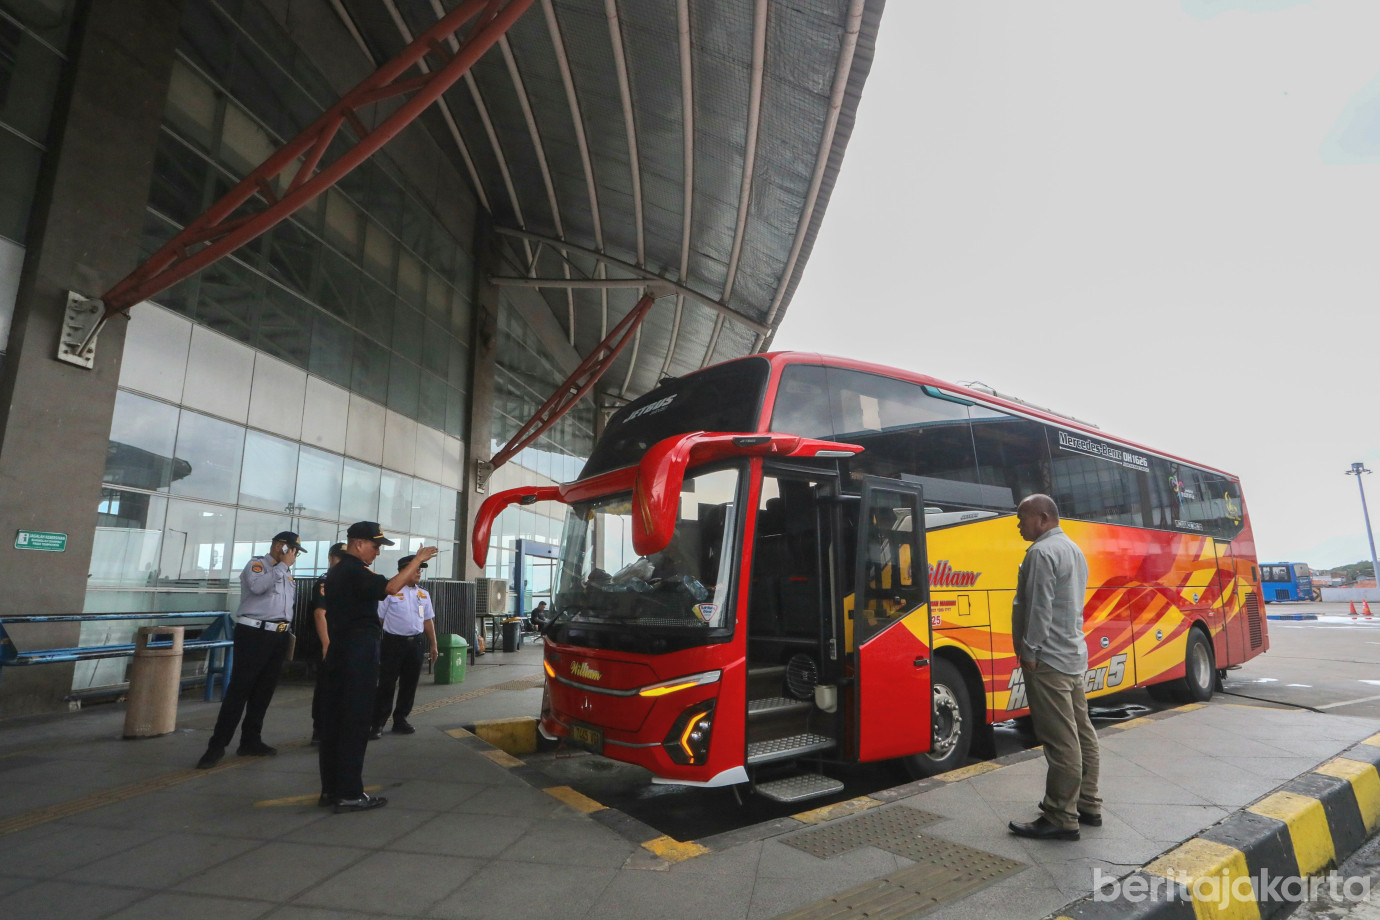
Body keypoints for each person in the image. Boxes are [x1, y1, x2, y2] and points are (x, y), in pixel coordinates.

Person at [318, 522, 436, 813]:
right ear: (358, 544)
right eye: (375, 545)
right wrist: (418, 560)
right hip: (356, 656)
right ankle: (348, 793)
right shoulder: (353, 570)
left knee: (336, 725)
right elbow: (391, 587)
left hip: (342, 653)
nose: (377, 551)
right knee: (354, 723)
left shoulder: (338, 571)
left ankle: (331, 790)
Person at [1007, 494, 1102, 841]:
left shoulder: (1041, 553)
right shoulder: (1073, 549)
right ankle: (1088, 803)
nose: (1019, 525)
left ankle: (1061, 815)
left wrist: (1029, 651)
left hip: (1049, 660)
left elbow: (1039, 610)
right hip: (1072, 655)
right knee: (1082, 731)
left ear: (1043, 518)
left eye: (1023, 518)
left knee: (1060, 740)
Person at [197, 531, 305, 769]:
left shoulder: (286, 573)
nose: (295, 556)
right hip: (254, 634)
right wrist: (280, 568)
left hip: (278, 636)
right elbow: (257, 589)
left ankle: (251, 740)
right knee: (240, 690)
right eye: (293, 550)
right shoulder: (257, 565)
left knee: (263, 692)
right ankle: (216, 746)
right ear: (280, 546)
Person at [370, 554, 438, 738]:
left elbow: (427, 620)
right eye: (416, 569)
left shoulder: (423, 594)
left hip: (415, 644)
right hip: (393, 644)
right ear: (404, 570)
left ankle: (401, 719)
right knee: (386, 684)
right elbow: (379, 619)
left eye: (420, 569)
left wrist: (433, 644)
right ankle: (377, 724)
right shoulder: (389, 592)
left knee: (410, 684)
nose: (419, 573)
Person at [310, 543, 346, 745]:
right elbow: (319, 613)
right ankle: (320, 730)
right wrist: (326, 644)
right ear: (331, 558)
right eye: (340, 558)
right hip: (330, 641)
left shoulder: (347, 580)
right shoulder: (326, 581)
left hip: (345, 641)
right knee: (326, 687)